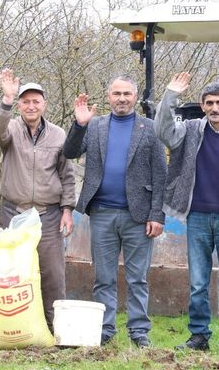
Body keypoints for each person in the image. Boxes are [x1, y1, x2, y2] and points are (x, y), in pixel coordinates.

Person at [154, 72, 219, 355]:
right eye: (209, 102)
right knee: (198, 283)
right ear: (202, 105)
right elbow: (163, 132)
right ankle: (199, 337)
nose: (214, 108)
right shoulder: (190, 129)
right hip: (198, 217)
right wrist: (170, 95)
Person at [63, 75, 167, 348]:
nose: (122, 98)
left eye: (127, 94)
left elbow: (160, 173)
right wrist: (79, 125)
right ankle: (105, 328)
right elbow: (70, 152)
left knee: (137, 278)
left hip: (139, 216)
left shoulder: (150, 128)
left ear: (135, 97)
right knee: (103, 277)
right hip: (102, 213)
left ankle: (139, 331)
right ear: (108, 96)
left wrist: (157, 214)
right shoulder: (95, 126)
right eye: (116, 93)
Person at [0, 68, 76, 331]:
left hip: (47, 216)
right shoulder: (10, 128)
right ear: (19, 105)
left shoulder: (59, 134)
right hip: (13, 213)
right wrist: (6, 98)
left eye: (36, 101)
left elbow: (67, 175)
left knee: (52, 273)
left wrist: (67, 209)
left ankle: (54, 327)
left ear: (44, 105)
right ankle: (11, 325)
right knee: (10, 271)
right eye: (25, 101)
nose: (31, 106)